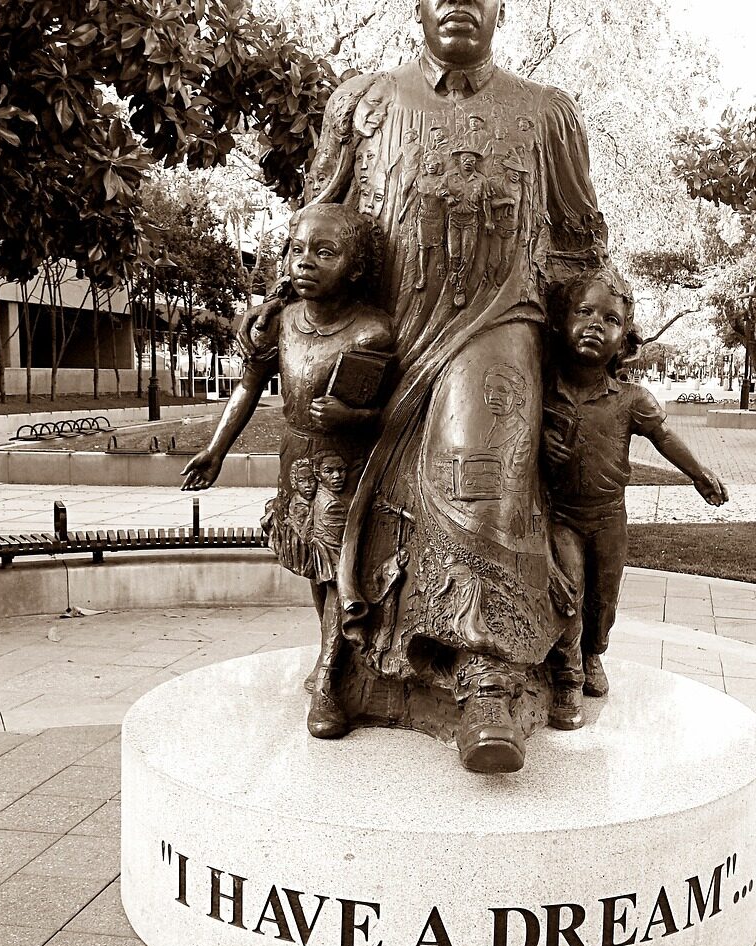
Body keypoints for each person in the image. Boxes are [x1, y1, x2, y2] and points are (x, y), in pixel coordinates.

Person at [256, 0, 608, 773]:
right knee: (352, 500)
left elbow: (581, 241)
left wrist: (584, 356)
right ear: (417, 6)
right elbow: (320, 213)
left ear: (500, 9)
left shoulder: (547, 114)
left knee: (477, 473)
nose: (458, 2)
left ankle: (487, 676)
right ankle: (350, 660)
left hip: (495, 326)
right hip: (384, 333)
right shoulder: (363, 102)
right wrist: (289, 308)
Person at [181, 204, 394, 738]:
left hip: (344, 469)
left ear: (356, 265)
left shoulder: (372, 332)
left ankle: (329, 677)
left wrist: (354, 416)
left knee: (338, 568)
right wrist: (216, 450)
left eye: (325, 253)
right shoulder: (280, 322)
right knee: (314, 570)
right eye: (298, 250)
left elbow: (392, 413)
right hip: (294, 462)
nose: (306, 263)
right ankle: (331, 661)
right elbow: (248, 387)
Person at [542, 267, 728, 729]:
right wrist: (542, 443)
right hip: (560, 514)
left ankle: (592, 655)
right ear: (561, 323)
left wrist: (699, 474)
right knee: (568, 592)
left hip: (609, 517)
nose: (594, 325)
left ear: (624, 340)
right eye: (583, 312)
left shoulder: (630, 399)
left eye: (610, 319)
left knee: (603, 599)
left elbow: (663, 438)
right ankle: (565, 676)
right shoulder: (543, 393)